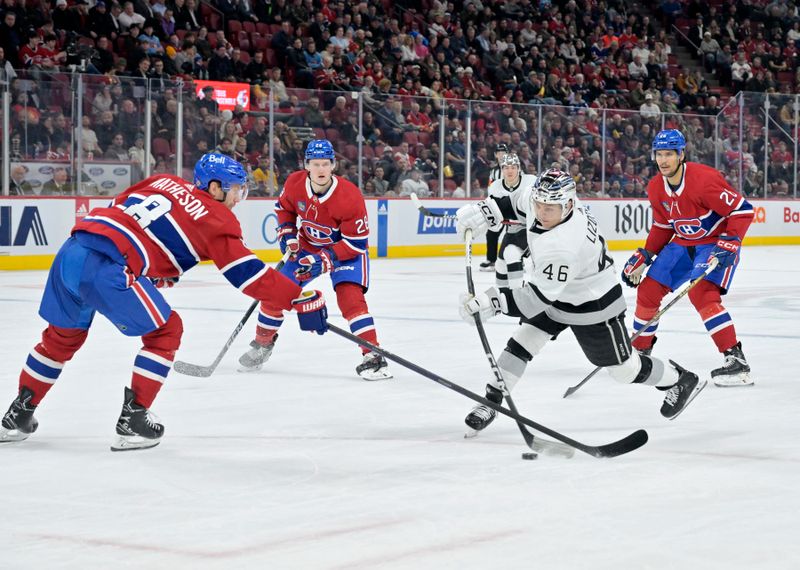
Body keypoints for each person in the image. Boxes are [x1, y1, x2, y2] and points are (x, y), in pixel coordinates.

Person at [0, 153, 328, 450]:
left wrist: (151, 264)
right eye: (235, 189)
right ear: (215, 188)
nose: (238, 198)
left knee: (61, 338)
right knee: (166, 331)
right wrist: (298, 296)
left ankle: (18, 415)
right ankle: (134, 421)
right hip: (108, 268)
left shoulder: (164, 181)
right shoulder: (218, 219)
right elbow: (248, 275)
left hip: (72, 252)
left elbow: (124, 209)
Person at [455, 168, 706, 433]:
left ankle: (679, 379)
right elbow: (513, 201)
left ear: (569, 205)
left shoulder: (563, 246)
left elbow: (531, 302)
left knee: (624, 370)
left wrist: (490, 302)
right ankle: (491, 401)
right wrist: (486, 210)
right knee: (523, 340)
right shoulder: (548, 198)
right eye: (538, 205)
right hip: (556, 290)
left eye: (549, 209)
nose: (541, 212)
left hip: (593, 303)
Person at [238, 139, 392, 381]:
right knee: (274, 293)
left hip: (344, 253)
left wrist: (326, 259)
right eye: (315, 164)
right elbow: (284, 210)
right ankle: (262, 345)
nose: (320, 169)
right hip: (307, 248)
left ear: (333, 166)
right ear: (306, 165)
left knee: (350, 298)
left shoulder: (350, 196)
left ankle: (372, 356)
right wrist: (287, 234)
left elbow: (355, 244)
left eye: (325, 164)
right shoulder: (294, 183)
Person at [621, 129, 755, 387]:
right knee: (648, 290)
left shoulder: (704, 180)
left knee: (701, 292)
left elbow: (742, 210)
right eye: (659, 154)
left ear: (681, 154)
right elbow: (663, 226)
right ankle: (640, 352)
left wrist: (731, 241)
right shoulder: (655, 187)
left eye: (669, 154)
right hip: (682, 244)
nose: (663, 160)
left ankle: (736, 360)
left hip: (713, 244)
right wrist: (647, 253)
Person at [486, 153, 536, 293]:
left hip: (530, 229)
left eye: (513, 167)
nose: (509, 171)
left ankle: (518, 293)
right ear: (501, 169)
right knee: (500, 265)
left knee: (512, 253)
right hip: (512, 230)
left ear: (519, 168)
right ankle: (503, 294)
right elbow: (493, 215)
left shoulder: (530, 181)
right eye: (506, 167)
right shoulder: (495, 187)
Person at [480, 143, 510, 272]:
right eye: (499, 153)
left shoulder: (514, 168)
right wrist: (490, 202)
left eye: (504, 152)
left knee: (513, 233)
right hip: (496, 205)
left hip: (511, 205)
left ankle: (515, 261)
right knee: (492, 232)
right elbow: (490, 188)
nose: (501, 155)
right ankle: (491, 259)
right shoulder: (494, 171)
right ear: (495, 155)